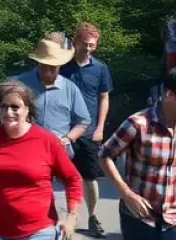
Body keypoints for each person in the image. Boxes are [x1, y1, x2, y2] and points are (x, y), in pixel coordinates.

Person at [0, 79, 82, 240]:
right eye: (3, 106)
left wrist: (71, 217)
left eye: (15, 107)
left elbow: (72, 178)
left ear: (27, 109)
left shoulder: (47, 140)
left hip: (38, 230)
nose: (8, 112)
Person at [98, 64, 176, 240]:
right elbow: (105, 155)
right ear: (170, 95)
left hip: (174, 222)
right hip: (140, 220)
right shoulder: (138, 123)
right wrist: (126, 193)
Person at [60, 23, 113, 239]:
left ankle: (92, 217)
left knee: (90, 177)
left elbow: (104, 97)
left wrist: (100, 127)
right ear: (75, 42)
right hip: (63, 132)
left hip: (90, 132)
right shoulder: (62, 65)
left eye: (93, 45)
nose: (89, 49)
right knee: (63, 176)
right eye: (85, 44)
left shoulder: (100, 69)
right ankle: (65, 217)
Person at [17, 37, 91, 154]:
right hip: (26, 151)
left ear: (60, 66)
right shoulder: (20, 85)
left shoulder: (70, 88)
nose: (47, 72)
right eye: (44, 66)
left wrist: (68, 138)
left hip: (59, 154)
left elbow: (83, 121)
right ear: (38, 62)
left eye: (52, 67)